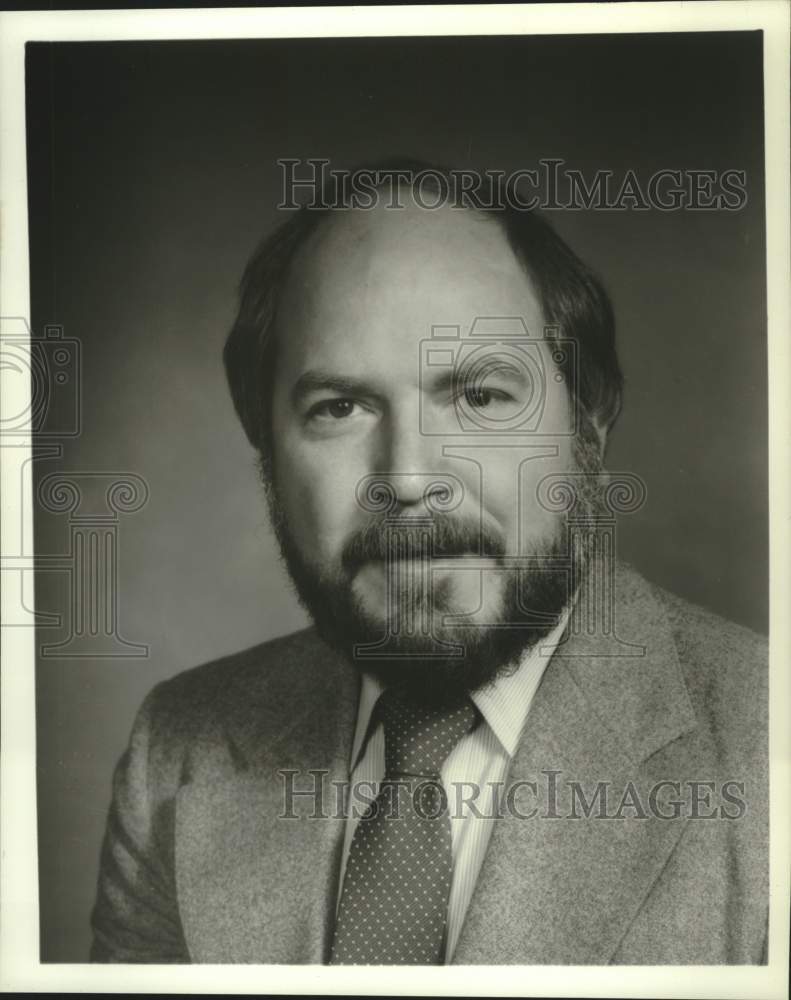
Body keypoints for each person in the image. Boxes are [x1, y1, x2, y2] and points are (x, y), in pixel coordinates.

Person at [90, 162, 768, 965]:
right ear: (265, 450)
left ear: (588, 425)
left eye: (480, 397)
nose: (410, 480)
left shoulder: (766, 750)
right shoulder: (178, 750)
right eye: (338, 408)